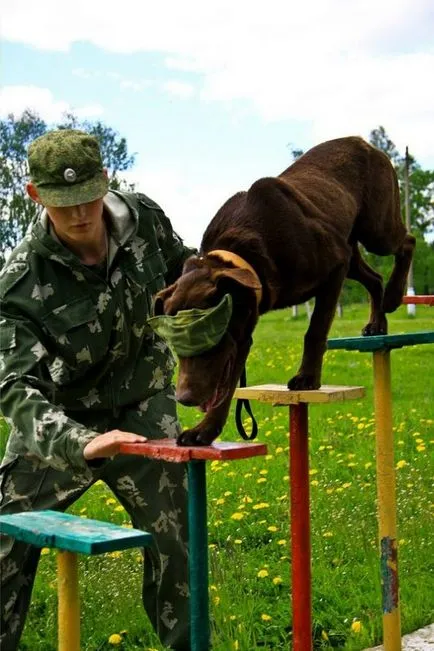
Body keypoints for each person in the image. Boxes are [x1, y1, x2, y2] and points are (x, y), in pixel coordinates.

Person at [0, 129, 196, 650]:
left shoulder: (145, 220)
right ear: (35, 195)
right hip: (63, 420)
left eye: (87, 196)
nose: (80, 214)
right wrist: (75, 443)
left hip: (144, 403)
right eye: (63, 204)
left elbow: (185, 274)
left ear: (105, 180)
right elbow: (16, 386)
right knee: (3, 544)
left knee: (182, 545)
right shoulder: (20, 279)